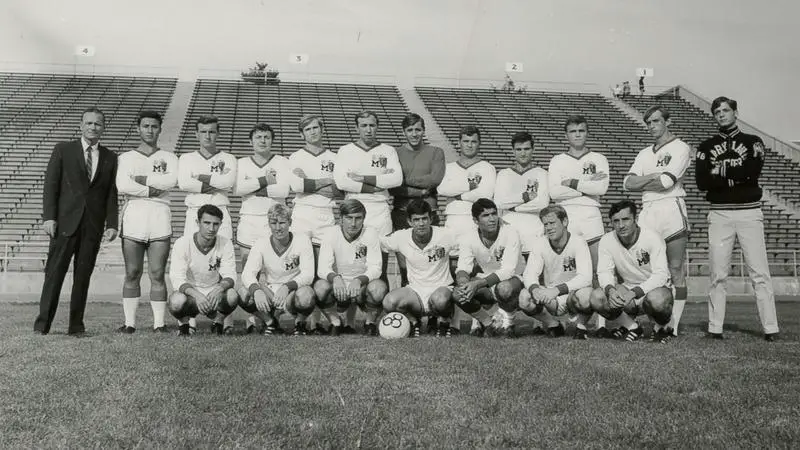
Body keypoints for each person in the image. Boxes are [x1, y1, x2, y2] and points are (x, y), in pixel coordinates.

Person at [695, 96, 779, 341]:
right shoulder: (706, 146)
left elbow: (751, 173)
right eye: (717, 112)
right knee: (718, 274)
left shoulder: (753, 141)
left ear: (735, 112)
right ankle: (715, 328)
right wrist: (735, 175)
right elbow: (702, 182)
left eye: (725, 110)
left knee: (759, 273)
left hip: (749, 211)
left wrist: (719, 171)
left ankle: (771, 328)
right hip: (720, 213)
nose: (721, 115)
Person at [34, 107, 119, 336]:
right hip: (64, 224)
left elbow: (111, 192)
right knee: (54, 275)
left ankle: (76, 326)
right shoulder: (63, 149)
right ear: (81, 126)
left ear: (104, 127)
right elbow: (51, 185)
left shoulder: (111, 157)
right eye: (89, 123)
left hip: (92, 225)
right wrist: (49, 217)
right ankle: (42, 325)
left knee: (82, 277)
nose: (93, 127)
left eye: (98, 124)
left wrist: (112, 224)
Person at [624, 106, 691, 336]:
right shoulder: (644, 153)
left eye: (655, 121)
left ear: (667, 121)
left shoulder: (681, 147)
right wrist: (654, 178)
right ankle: (656, 319)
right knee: (650, 268)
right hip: (648, 210)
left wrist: (645, 179)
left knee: (675, 268)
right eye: (648, 123)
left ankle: (673, 324)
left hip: (671, 208)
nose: (652, 126)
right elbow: (627, 183)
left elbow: (666, 183)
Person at [115, 110, 178, 334]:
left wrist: (140, 182)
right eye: (145, 126)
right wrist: (154, 188)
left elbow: (171, 181)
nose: (150, 130)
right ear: (138, 128)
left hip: (160, 217)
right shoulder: (126, 158)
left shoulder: (170, 157)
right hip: (134, 217)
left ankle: (159, 324)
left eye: (154, 126)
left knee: (157, 274)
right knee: (132, 272)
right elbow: (123, 186)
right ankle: (130, 323)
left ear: (160, 129)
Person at [547, 115, 610, 332]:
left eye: (581, 131)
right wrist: (587, 185)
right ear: (566, 135)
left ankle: (602, 323)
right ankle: (574, 316)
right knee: (572, 269)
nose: (577, 135)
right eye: (573, 131)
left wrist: (572, 183)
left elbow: (601, 188)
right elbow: (554, 192)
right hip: (568, 215)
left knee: (597, 270)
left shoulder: (598, 158)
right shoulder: (557, 160)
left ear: (587, 133)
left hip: (592, 215)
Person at [233, 123, 293, 333]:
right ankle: (253, 319)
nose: (263, 141)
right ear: (251, 141)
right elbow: (238, 189)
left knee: (270, 270)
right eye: (258, 137)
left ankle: (271, 317)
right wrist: (266, 181)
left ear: (272, 140)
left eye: (267, 137)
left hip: (272, 219)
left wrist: (254, 187)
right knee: (249, 269)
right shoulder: (240, 163)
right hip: (249, 220)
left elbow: (284, 189)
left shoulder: (282, 162)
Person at [437, 125, 497, 334]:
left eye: (473, 141)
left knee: (473, 269)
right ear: (459, 143)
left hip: (474, 222)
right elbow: (442, 189)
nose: (469, 145)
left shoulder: (487, 167)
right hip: (453, 220)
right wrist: (470, 188)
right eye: (465, 141)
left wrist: (458, 193)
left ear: (479, 144)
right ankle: (453, 323)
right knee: (453, 270)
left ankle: (475, 322)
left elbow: (486, 194)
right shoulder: (450, 166)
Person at [590, 200, 674, 343]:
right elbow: (604, 272)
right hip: (628, 290)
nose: (621, 225)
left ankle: (661, 327)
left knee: (657, 300)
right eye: (616, 221)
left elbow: (661, 275)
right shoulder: (607, 240)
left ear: (635, 219)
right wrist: (611, 290)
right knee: (597, 297)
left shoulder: (652, 237)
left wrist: (634, 293)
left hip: (655, 289)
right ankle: (633, 327)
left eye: (626, 219)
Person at [289, 114, 342, 335]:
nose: (313, 132)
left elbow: (339, 189)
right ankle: (302, 319)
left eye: (316, 128)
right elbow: (296, 185)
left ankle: (316, 322)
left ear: (322, 130)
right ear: (302, 134)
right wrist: (325, 180)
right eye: (308, 129)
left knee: (323, 270)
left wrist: (309, 182)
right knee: (303, 269)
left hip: (326, 215)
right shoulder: (295, 156)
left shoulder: (334, 157)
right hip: (302, 214)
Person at [380, 200, 458, 337]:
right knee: (389, 302)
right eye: (416, 220)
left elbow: (469, 247)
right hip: (415, 291)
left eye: (424, 219)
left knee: (441, 300)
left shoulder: (446, 235)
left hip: (441, 289)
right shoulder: (401, 236)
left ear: (431, 219)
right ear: (409, 222)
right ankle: (413, 321)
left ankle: (444, 320)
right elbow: (377, 242)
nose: (421, 223)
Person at [238, 204, 316, 336]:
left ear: (290, 222)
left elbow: (308, 275)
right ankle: (270, 323)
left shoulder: (302, 240)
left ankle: (299, 323)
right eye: (273, 223)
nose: (278, 228)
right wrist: (256, 291)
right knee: (242, 292)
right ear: (269, 223)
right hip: (271, 291)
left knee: (306, 295)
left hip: (293, 291)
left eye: (282, 223)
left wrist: (287, 286)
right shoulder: (261, 242)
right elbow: (247, 274)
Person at [314, 199, 388, 336]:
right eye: (349, 218)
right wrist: (335, 278)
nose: (353, 223)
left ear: (364, 219)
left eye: (358, 218)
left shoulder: (371, 233)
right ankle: (335, 322)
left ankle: (369, 323)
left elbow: (376, 267)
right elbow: (323, 268)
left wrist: (359, 280)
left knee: (379, 288)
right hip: (338, 286)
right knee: (319, 288)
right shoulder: (331, 233)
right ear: (341, 219)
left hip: (361, 286)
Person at [518, 205, 594, 339]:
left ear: (565, 222)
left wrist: (558, 290)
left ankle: (580, 326)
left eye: (552, 223)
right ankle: (553, 324)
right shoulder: (539, 243)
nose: (548, 228)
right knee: (525, 297)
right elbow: (529, 274)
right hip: (551, 298)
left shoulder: (578, 242)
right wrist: (535, 289)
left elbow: (586, 277)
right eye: (545, 224)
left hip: (572, 295)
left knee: (587, 295)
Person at [453, 198, 526, 337]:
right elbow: (463, 267)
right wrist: (464, 284)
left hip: (514, 280)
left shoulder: (510, 232)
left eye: (494, 214)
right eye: (486, 216)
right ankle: (488, 323)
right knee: (457, 293)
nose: (492, 219)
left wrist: (477, 283)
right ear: (475, 220)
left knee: (504, 288)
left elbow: (508, 270)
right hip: (487, 280)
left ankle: (508, 324)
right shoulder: (468, 237)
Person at [389, 113, 446, 286]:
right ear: (404, 132)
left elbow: (435, 179)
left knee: (431, 260)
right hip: (402, 212)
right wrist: (421, 192)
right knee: (404, 262)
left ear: (423, 131)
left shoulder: (436, 152)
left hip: (429, 213)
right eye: (410, 130)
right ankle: (408, 302)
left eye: (418, 129)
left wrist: (406, 180)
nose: (414, 134)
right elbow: (393, 185)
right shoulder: (395, 152)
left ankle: (434, 305)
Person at [167, 205, 239, 336]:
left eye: (215, 224)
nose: (211, 228)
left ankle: (218, 322)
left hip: (213, 292)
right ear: (197, 222)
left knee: (232, 295)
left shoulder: (225, 243)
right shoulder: (182, 243)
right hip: (191, 293)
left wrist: (219, 289)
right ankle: (184, 325)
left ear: (221, 224)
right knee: (176, 301)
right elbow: (177, 277)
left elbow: (230, 274)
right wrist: (197, 295)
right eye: (206, 223)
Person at [178, 115, 237, 240]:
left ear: (218, 134)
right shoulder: (186, 158)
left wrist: (198, 178)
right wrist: (217, 185)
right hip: (194, 211)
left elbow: (228, 183)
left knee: (221, 256)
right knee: (193, 255)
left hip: (220, 211)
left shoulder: (229, 158)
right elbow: (184, 183)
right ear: (196, 134)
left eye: (211, 132)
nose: (207, 136)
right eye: (203, 132)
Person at [494, 131, 550, 254]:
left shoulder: (542, 173)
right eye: (518, 149)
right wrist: (525, 197)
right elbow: (499, 202)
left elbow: (542, 204)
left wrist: (513, 207)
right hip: (509, 229)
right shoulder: (504, 174)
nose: (523, 153)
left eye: (526, 149)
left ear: (533, 149)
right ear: (513, 151)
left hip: (534, 230)